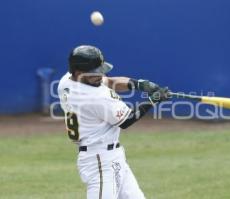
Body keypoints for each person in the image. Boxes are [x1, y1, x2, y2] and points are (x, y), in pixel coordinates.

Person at [58, 45, 170, 199]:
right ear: (79, 72)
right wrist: (152, 100)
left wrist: (138, 84)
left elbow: (109, 81)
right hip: (99, 160)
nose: (100, 75)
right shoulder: (96, 97)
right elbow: (126, 120)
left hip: (111, 156)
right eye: (95, 73)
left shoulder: (66, 82)